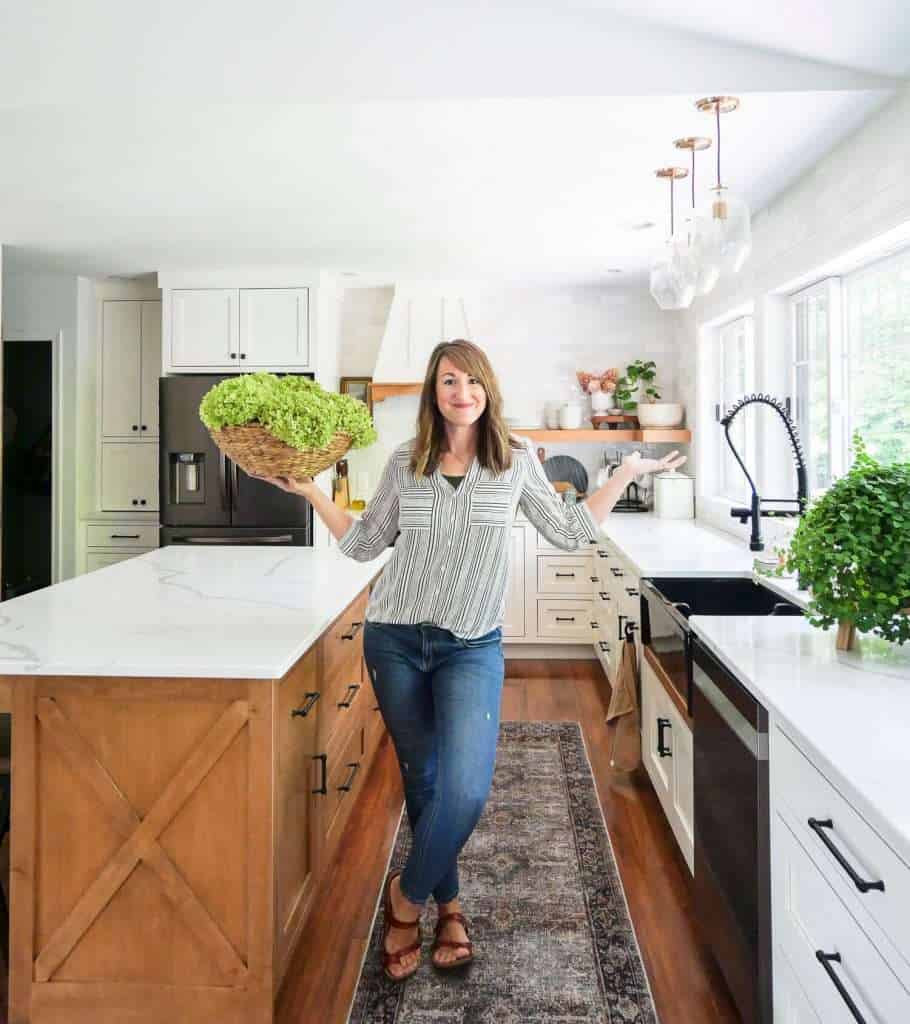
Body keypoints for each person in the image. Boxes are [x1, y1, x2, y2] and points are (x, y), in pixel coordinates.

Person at [254, 340, 686, 982]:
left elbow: (568, 533)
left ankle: (404, 899)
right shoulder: (408, 461)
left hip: (471, 645)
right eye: (449, 380)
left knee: (465, 789)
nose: (461, 391)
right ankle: (449, 908)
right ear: (434, 392)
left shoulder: (515, 461)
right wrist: (315, 494)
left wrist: (621, 478)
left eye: (472, 380)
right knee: (425, 785)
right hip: (394, 637)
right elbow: (366, 543)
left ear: (488, 389)